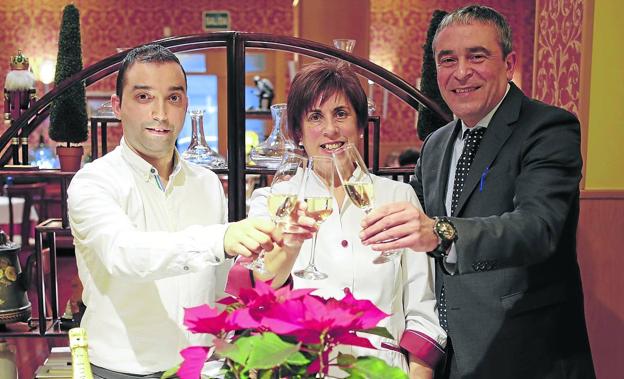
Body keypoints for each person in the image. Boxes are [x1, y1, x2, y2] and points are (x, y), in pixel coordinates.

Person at [360, 5, 595, 379]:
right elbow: (408, 224)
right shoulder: (436, 145)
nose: (461, 72)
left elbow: (537, 228)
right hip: (450, 357)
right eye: (448, 59)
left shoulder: (548, 128)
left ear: (510, 62)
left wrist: (440, 231)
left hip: (527, 356)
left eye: (477, 56)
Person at [67, 44, 281, 378]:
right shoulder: (93, 183)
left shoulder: (207, 183)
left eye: (173, 98)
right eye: (143, 97)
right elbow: (124, 254)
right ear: (117, 106)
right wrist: (221, 238)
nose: (161, 114)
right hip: (121, 369)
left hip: (199, 366)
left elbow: (215, 284)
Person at [231, 60, 446, 379]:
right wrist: (289, 243)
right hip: (302, 368)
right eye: (315, 116)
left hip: (382, 371)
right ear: (298, 133)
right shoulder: (275, 199)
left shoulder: (396, 197)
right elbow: (255, 289)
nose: (330, 129)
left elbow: (421, 306)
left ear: (360, 125)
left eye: (341, 114)